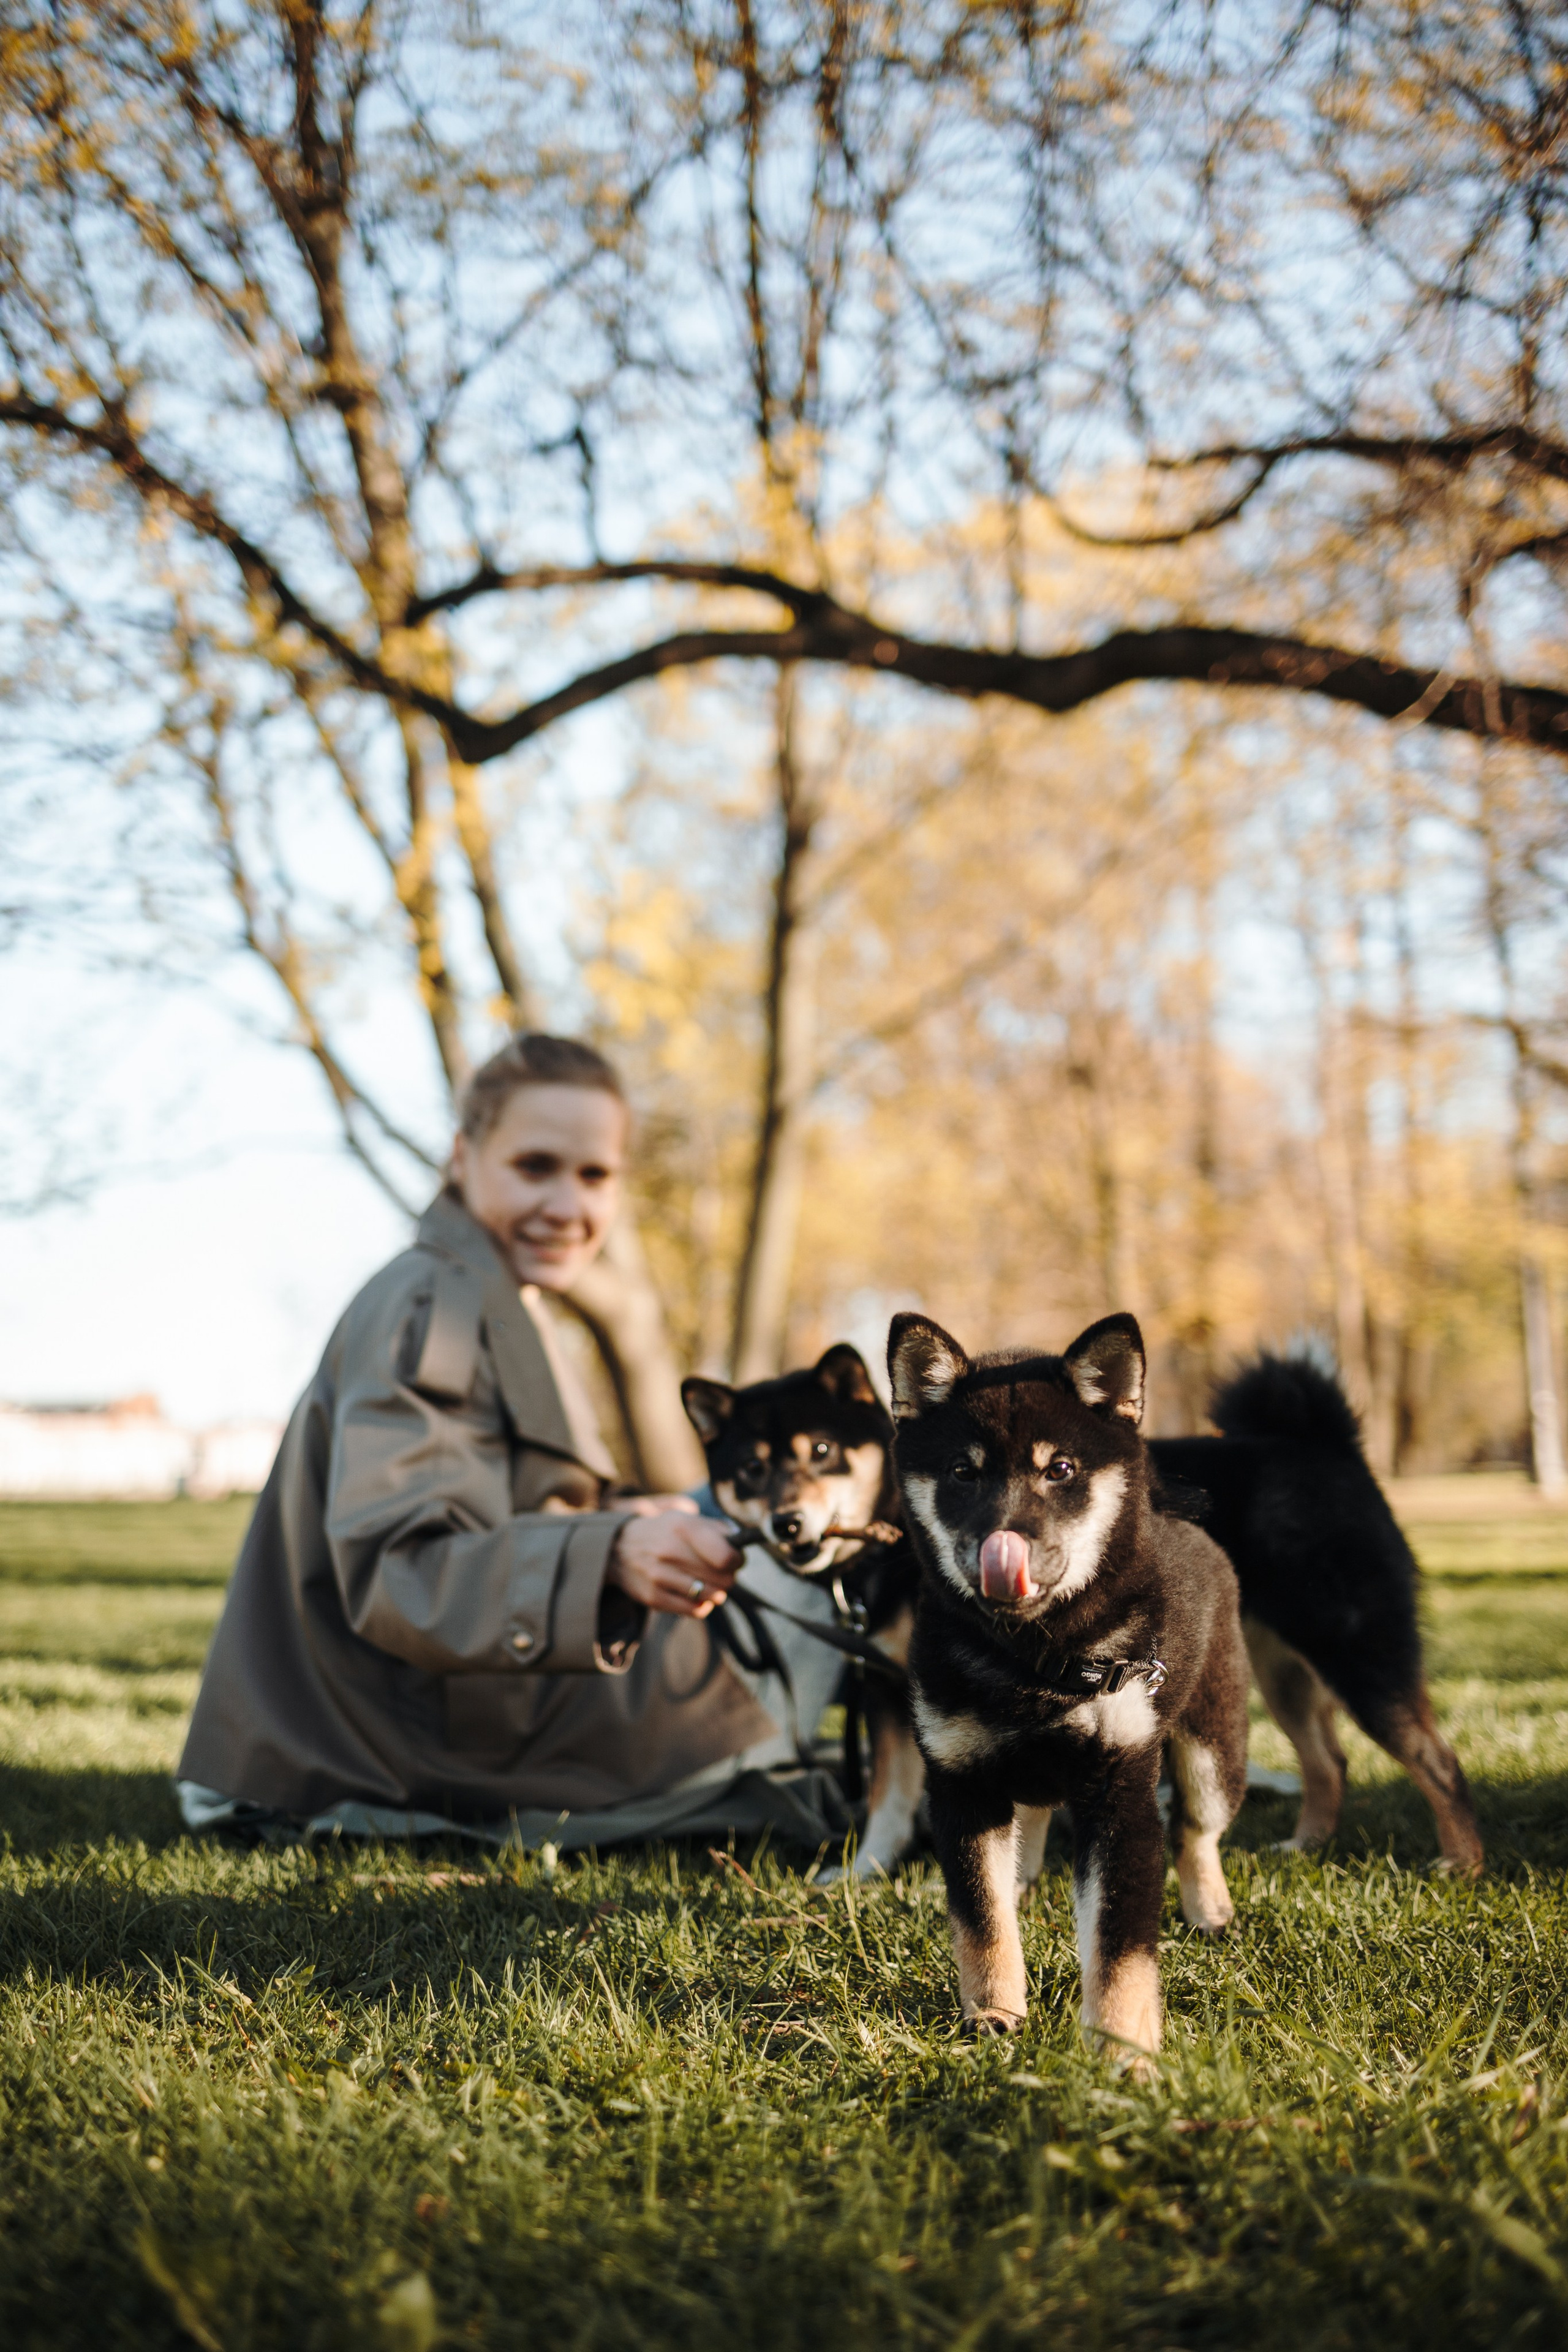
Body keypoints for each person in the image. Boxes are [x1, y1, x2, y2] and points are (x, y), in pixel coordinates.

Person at [176, 1034, 851, 1852]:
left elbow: (519, 1501)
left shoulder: (492, 1297)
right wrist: (612, 1551)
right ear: (463, 1157)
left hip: (464, 1705)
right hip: (381, 1751)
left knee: (766, 1505)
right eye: (536, 1167)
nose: (569, 1206)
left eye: (595, 1174)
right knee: (845, 1537)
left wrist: (630, 1517)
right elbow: (402, 1566)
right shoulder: (435, 1314)